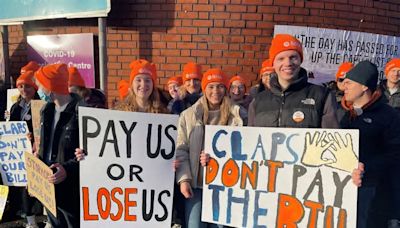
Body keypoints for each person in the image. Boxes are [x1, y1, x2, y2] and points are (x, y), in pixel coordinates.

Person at [175, 68, 243, 228]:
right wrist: (184, 179)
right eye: (211, 86)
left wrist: (216, 158)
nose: (215, 91)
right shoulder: (188, 115)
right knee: (194, 225)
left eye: (220, 86)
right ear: (204, 89)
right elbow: (181, 148)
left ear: (226, 89)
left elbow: (243, 150)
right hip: (196, 185)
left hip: (224, 186)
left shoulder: (238, 116)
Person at [340, 60, 400, 228]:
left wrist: (366, 167)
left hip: (372, 195)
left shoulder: (388, 116)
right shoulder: (340, 112)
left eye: (349, 82)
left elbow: (394, 157)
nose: (344, 86)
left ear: (364, 86)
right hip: (339, 192)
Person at [248, 34, 339, 128]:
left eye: (293, 57)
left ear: (300, 60)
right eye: (281, 59)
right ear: (273, 64)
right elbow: (251, 138)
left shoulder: (322, 96)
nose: (287, 63)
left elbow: (331, 140)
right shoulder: (258, 101)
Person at [34, 63, 82, 228]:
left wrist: (67, 169)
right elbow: (44, 145)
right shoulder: (46, 110)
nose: (38, 89)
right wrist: (36, 162)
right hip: (49, 186)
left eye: (40, 85)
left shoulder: (80, 112)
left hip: (72, 190)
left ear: (50, 88)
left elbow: (89, 153)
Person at [8, 71, 42, 228]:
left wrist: (34, 137)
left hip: (33, 151)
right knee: (20, 184)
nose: (24, 89)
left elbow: (41, 129)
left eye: (27, 86)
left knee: (31, 186)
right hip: (18, 152)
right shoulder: (15, 107)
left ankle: (33, 218)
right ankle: (24, 215)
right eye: (20, 86)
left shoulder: (40, 105)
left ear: (34, 87)